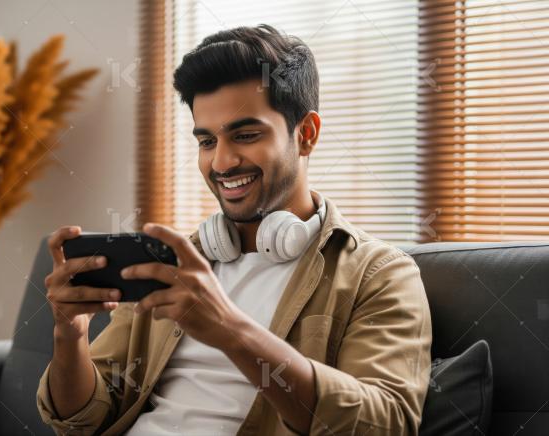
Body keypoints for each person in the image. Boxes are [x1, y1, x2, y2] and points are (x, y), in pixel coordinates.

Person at [36, 24, 432, 435]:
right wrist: (70, 334)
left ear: (307, 134)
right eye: (207, 142)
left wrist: (230, 330)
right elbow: (82, 419)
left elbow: (385, 424)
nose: (222, 163)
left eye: (245, 135)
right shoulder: (174, 263)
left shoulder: (379, 274)